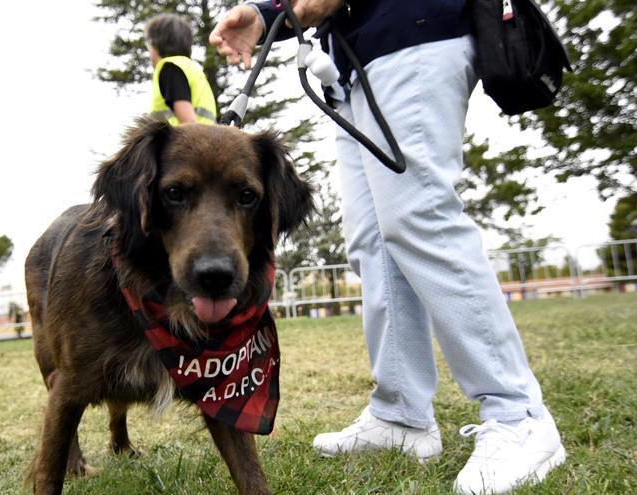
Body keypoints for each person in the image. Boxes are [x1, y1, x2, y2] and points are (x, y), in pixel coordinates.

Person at [210, 2, 564, 493]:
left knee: (420, 219)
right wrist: (269, 14)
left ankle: (518, 413)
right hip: (354, 59)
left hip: (414, 30)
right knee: (373, 239)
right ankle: (403, 416)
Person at [145, 13, 217, 125]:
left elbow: (189, 123)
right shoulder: (193, 70)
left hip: (189, 141)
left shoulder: (170, 68)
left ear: (156, 43)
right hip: (209, 139)